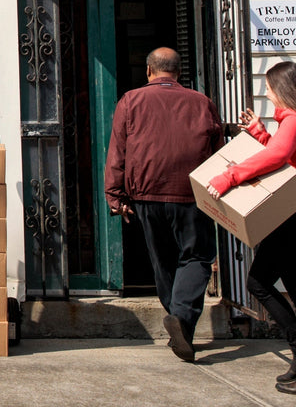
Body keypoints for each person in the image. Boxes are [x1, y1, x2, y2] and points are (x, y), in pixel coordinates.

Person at [207, 61, 296, 397]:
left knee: (261, 283)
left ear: (281, 89)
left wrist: (230, 175)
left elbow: (279, 157)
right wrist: (261, 133)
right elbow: (288, 157)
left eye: (268, 87)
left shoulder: (294, 120)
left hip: (292, 218)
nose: (267, 93)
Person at [104, 47, 223, 363]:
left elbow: (118, 150)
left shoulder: (130, 101)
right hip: (192, 193)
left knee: (163, 261)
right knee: (197, 256)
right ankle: (181, 319)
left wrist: (115, 196)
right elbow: (218, 152)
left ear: (148, 71)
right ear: (179, 73)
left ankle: (178, 319)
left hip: (147, 194)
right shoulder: (202, 103)